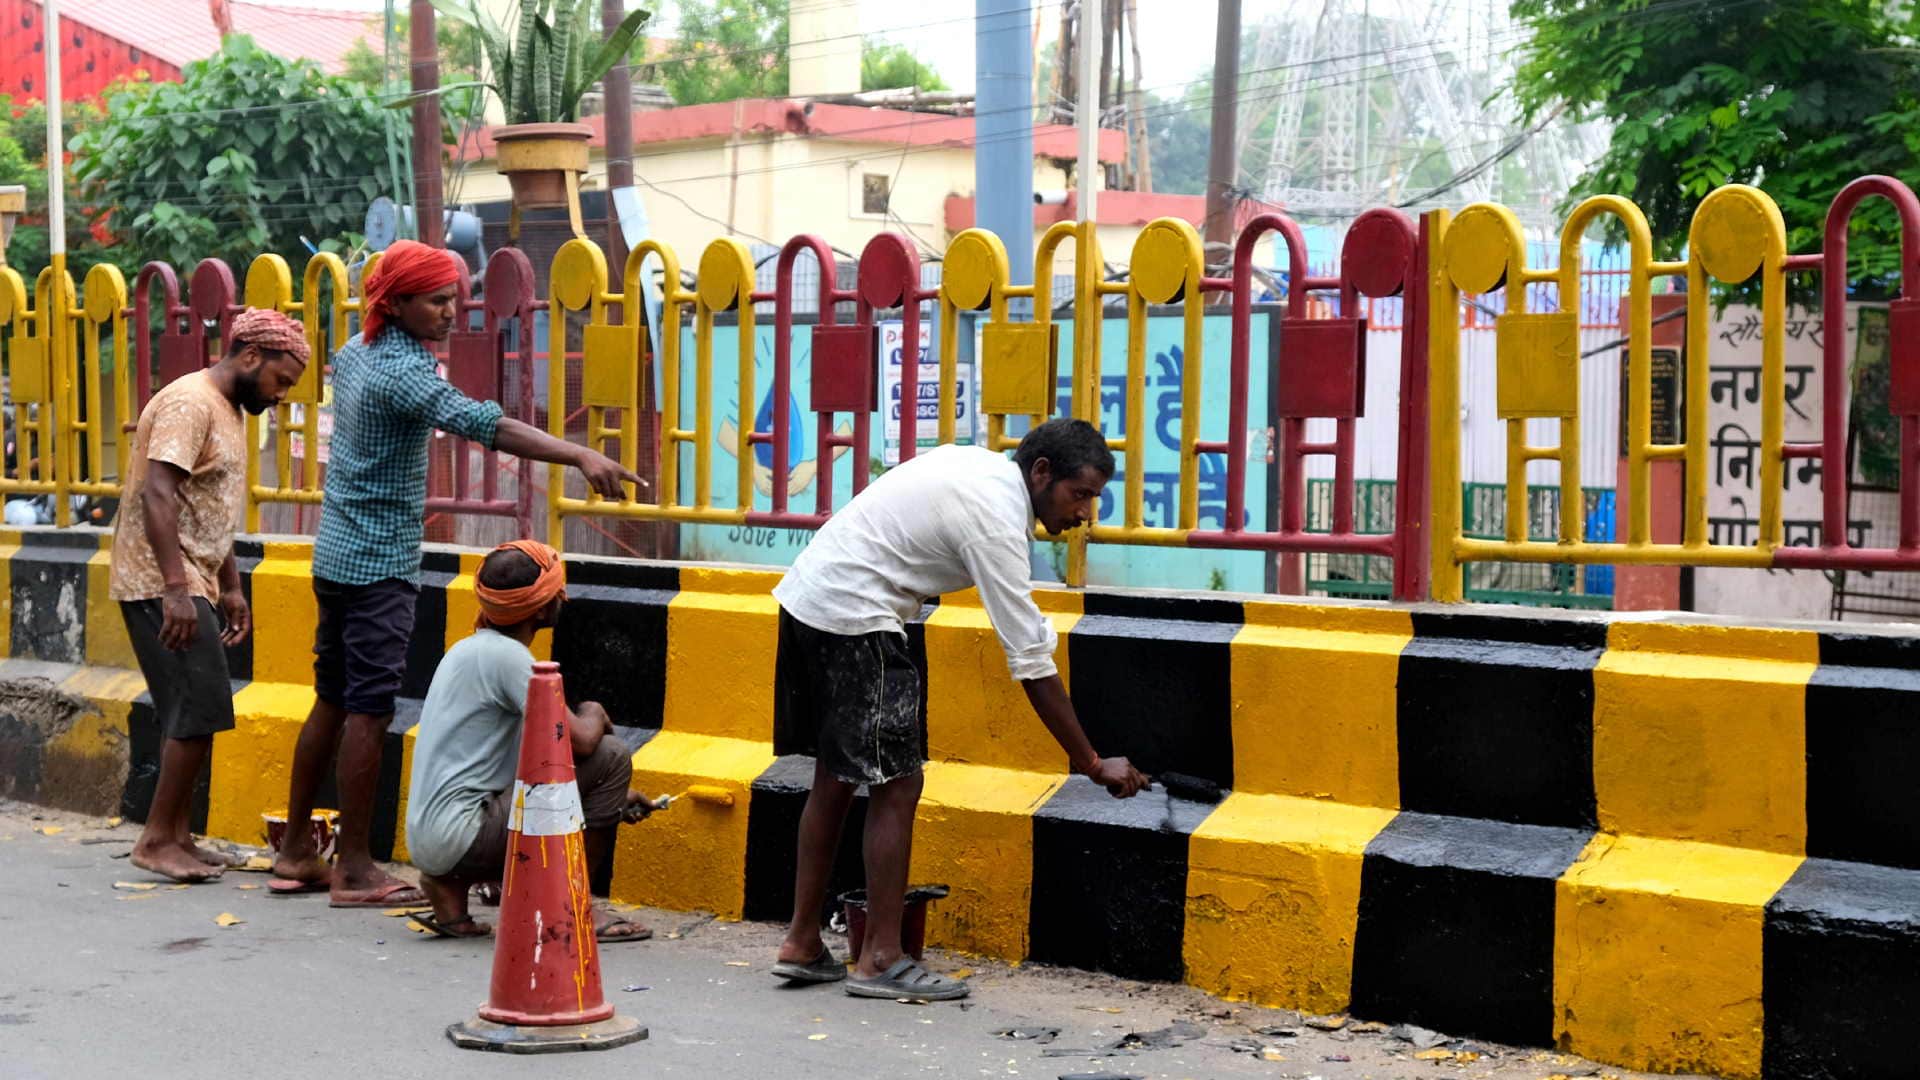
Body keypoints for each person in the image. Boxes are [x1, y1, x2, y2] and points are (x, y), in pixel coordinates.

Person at [269, 240, 643, 907]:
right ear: (398, 302)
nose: (451, 311)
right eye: (437, 300)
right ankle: (352, 868)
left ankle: (299, 846)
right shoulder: (405, 376)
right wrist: (579, 454)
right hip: (378, 562)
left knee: (330, 700)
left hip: (334, 556)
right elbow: (483, 425)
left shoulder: (355, 355)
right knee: (367, 709)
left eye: (454, 298)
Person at [769, 418, 1149, 1000]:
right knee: (898, 784)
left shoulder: (982, 471)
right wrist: (1091, 762)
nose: (1085, 514)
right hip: (855, 617)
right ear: (1041, 472)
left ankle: (802, 943)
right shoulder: (996, 519)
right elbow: (1028, 658)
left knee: (836, 776)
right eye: (1080, 495)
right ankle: (882, 960)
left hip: (807, 604)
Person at [112, 308, 310, 883]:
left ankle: (177, 836)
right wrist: (177, 588)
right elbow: (158, 493)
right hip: (159, 577)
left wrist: (230, 584)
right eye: (280, 381)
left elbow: (210, 501)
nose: (279, 396)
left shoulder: (229, 409)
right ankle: (154, 840)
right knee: (198, 706)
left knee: (194, 707)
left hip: (193, 577)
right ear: (251, 356)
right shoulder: (190, 402)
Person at [402, 540, 655, 939]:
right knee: (612, 756)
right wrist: (594, 711)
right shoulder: (511, 658)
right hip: (465, 834)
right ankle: (575, 906)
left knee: (597, 766)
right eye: (558, 591)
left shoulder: (467, 650)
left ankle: (449, 884)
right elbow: (584, 743)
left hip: (432, 838)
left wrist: (614, 799)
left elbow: (535, 758)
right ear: (541, 608)